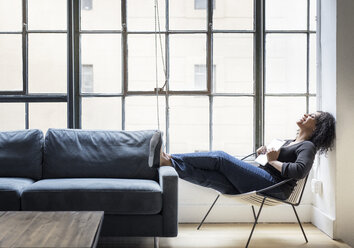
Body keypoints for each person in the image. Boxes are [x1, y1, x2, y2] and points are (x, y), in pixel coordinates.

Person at [159, 111, 336, 200]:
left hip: (275, 187)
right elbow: (270, 163)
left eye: (312, 116)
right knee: (211, 177)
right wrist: (263, 155)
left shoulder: (308, 146)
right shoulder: (289, 141)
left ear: (317, 128)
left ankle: (169, 158)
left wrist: (272, 161)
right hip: (265, 179)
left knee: (220, 158)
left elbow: (299, 172)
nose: (306, 114)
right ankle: (170, 164)